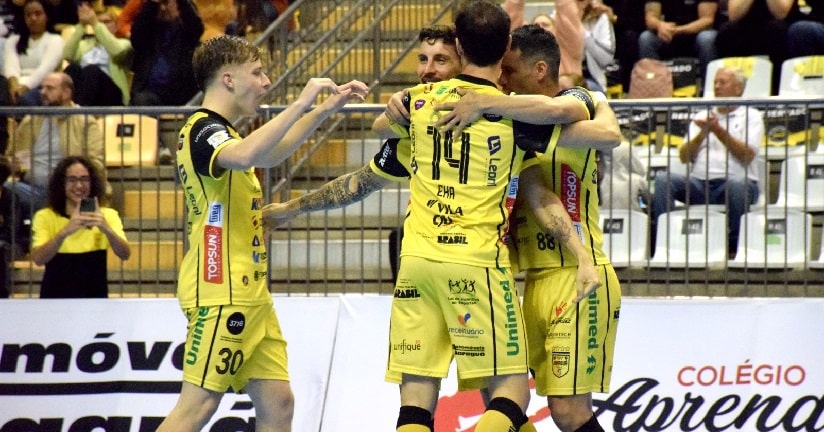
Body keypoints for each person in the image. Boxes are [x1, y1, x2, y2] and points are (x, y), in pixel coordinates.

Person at [375, 3, 606, 430]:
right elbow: (590, 135)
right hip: (476, 262)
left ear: (458, 47)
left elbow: (380, 128)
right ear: (506, 49)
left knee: (415, 400)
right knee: (512, 390)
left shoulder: (419, 102)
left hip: (416, 262)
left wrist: (398, 101)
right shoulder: (515, 115)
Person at [159, 34, 367, 431]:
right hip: (223, 290)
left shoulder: (223, 132)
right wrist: (301, 101)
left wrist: (325, 108)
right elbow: (248, 155)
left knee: (278, 403)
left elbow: (271, 152)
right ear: (228, 79)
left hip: (251, 294)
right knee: (197, 407)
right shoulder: (203, 130)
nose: (266, 81)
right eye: (257, 73)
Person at [435, 24, 622, 432]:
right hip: (525, 282)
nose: (502, 79)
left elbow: (607, 133)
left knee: (568, 412)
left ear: (540, 71)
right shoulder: (507, 121)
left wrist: (485, 101)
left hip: (576, 275)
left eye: (511, 70)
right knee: (501, 397)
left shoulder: (575, 99)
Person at [650, 66, 763, 258]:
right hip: (699, 185)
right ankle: (662, 243)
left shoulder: (752, 116)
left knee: (738, 184)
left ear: (738, 88)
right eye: (715, 83)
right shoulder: (702, 116)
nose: (717, 87)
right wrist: (703, 133)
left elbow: (747, 155)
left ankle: (734, 248)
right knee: (663, 179)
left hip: (736, 184)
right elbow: (684, 156)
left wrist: (718, 130)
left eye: (722, 82)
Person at [5, 72, 104, 248]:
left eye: (49, 88)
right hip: (31, 189)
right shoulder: (31, 120)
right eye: (41, 87)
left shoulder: (85, 121)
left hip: (68, 192)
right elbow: (13, 155)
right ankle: (13, 244)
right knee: (8, 189)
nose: (42, 92)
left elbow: (95, 164)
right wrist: (14, 165)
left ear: (66, 93)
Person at [30, 156, 129, 298]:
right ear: (61, 184)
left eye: (84, 179)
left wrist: (107, 230)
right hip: (55, 298)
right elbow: (39, 259)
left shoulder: (108, 215)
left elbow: (125, 254)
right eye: (72, 180)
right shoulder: (44, 216)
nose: (78, 186)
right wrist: (65, 232)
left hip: (95, 298)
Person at [129, 0, 203, 106]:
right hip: (148, 95)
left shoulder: (187, 33)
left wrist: (182, 2)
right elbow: (136, 35)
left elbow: (196, 25)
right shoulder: (147, 33)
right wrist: (153, 4)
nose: (163, 9)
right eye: (160, 5)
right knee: (142, 100)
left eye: (166, 3)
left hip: (180, 97)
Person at [715, 0, 796, 94]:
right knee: (727, 32)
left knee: (777, 29)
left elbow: (781, 13)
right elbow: (733, 15)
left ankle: (777, 91)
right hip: (747, 27)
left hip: (778, 27)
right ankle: (732, 88)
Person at [62, 2, 133, 105]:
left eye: (106, 22)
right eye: (99, 22)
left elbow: (117, 51)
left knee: (92, 70)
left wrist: (95, 23)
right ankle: (68, 109)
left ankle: (80, 114)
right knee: (72, 69)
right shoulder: (85, 44)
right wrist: (82, 25)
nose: (101, 26)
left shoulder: (124, 43)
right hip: (85, 90)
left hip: (111, 94)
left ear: (117, 24)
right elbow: (67, 55)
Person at [3, 0, 65, 107]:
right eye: (28, 15)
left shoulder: (55, 40)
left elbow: (45, 69)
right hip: (14, 86)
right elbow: (11, 68)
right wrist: (14, 87)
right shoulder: (13, 41)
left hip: (41, 87)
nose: (33, 18)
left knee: (25, 99)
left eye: (38, 14)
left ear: (47, 16)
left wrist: (25, 87)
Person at [639, 0, 718, 79]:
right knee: (646, 38)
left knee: (707, 38)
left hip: (696, 35)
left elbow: (707, 20)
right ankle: (653, 86)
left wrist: (678, 30)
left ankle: (710, 88)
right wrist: (660, 25)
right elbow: (650, 18)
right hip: (668, 36)